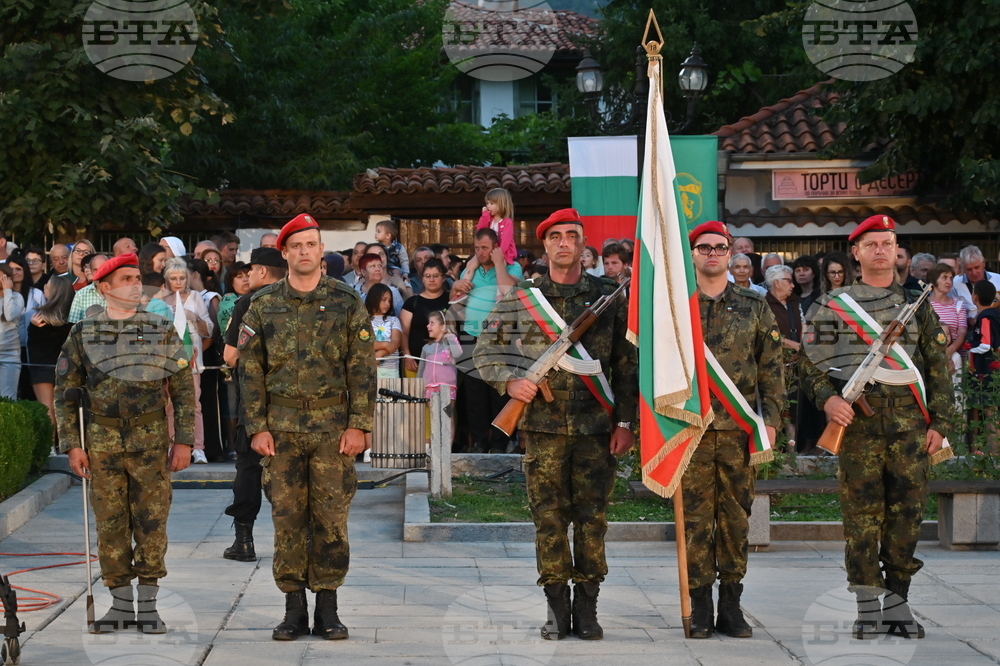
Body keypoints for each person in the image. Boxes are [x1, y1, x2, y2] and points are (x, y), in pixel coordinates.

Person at [474, 208, 637, 641]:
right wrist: (509, 382)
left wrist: (626, 421)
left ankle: (587, 608)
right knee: (548, 520)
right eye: (556, 237)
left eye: (573, 236)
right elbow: (485, 351)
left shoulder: (608, 297)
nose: (565, 243)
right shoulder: (524, 297)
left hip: (596, 428)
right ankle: (556, 609)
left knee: (592, 520)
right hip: (543, 429)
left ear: (583, 244)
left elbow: (627, 364)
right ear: (545, 246)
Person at [800, 214, 953, 639]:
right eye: (871, 244)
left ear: (897, 249)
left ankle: (898, 606)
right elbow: (809, 365)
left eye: (887, 243)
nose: (881, 250)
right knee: (862, 526)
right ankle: (868, 609)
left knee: (906, 522)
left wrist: (941, 422)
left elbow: (938, 367)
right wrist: (829, 400)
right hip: (859, 433)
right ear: (857, 252)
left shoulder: (917, 305)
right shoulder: (834, 305)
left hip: (910, 432)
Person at [238, 214, 375, 641]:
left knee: (331, 518)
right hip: (280, 431)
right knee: (288, 519)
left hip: (333, 430)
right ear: (285, 253)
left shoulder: (346, 301)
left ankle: (328, 609)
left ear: (321, 251)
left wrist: (360, 425)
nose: (304, 251)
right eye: (296, 245)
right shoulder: (262, 303)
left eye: (311, 244)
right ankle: (293, 609)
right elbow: (250, 370)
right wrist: (257, 427)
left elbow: (362, 368)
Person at [55, 252, 195, 634]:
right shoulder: (83, 333)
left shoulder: (160, 328)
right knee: (111, 526)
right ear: (105, 288)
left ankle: (148, 606)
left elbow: (183, 389)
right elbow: (65, 392)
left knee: (152, 523)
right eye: (126, 279)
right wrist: (72, 444)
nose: (136, 285)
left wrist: (184, 440)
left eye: (137, 277)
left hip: (150, 443)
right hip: (102, 444)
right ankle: (119, 606)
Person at [683, 221, 783, 639]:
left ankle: (731, 605)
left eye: (719, 247)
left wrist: (772, 420)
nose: (712, 254)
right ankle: (700, 606)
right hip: (690, 431)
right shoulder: (676, 305)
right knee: (695, 520)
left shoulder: (754, 304)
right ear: (692, 254)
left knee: (736, 520)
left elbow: (771, 366)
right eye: (704, 247)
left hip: (739, 432)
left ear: (731, 254)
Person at [221, 248, 287, 563]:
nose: (246, 276)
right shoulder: (299, 300)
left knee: (249, 468)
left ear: (261, 271)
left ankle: (244, 541)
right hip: (293, 404)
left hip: (256, 401)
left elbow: (231, 355)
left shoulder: (248, 303)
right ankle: (293, 542)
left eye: (250, 270)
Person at [451, 228, 523, 453]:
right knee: (475, 394)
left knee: (499, 392)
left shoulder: (512, 267)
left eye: (485, 248)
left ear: (496, 248)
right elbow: (455, 304)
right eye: (476, 248)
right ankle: (479, 442)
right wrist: (456, 286)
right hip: (472, 336)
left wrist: (500, 263)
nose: (480, 252)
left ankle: (500, 443)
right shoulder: (471, 270)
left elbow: (509, 292)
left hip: (501, 338)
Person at [164, 257, 213, 464]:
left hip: (191, 359)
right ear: (167, 279)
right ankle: (170, 444)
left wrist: (194, 317)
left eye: (182, 278)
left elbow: (209, 329)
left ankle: (198, 448)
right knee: (168, 404)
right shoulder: (160, 299)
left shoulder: (195, 297)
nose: (178, 282)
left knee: (194, 404)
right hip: (168, 360)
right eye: (173, 278)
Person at [28, 276, 74, 432]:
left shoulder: (39, 319)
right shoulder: (73, 318)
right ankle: (64, 443)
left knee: (47, 408)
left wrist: (32, 327)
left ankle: (50, 443)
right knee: (65, 410)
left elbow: (33, 346)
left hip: (42, 368)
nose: (44, 288)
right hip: (66, 368)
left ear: (54, 292)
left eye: (47, 286)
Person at [764, 265, 802, 450]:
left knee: (796, 405)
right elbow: (766, 333)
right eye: (788, 281)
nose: (793, 285)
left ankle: (794, 446)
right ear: (776, 282)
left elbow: (804, 324)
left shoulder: (795, 301)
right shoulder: (764, 303)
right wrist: (791, 344)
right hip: (775, 363)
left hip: (798, 363)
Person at [400, 258, 450, 378]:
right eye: (427, 276)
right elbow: (404, 332)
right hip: (415, 363)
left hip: (445, 364)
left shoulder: (450, 300)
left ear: (443, 278)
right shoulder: (412, 302)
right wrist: (407, 356)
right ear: (422, 278)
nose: (431, 280)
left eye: (436, 276)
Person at [969, 279, 1000, 452]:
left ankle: (994, 453)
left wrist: (971, 348)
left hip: (986, 371)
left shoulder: (985, 317)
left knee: (989, 411)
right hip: (993, 370)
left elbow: (986, 344)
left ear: (975, 297)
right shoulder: (995, 314)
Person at [927, 263, 968, 377]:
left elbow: (962, 332)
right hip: (929, 356)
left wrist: (949, 351)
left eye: (951, 278)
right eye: (944, 277)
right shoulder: (924, 304)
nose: (949, 282)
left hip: (954, 356)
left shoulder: (958, 305)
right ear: (934, 280)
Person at [419, 310, 462, 403]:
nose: (428, 326)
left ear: (443, 327)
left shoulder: (450, 343)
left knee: (447, 412)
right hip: (429, 387)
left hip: (447, 386)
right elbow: (421, 369)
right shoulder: (426, 347)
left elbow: (458, 354)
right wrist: (418, 387)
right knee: (434, 412)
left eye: (432, 323)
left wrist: (451, 337)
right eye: (428, 323)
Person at [954, 245, 1000, 323]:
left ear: (984, 263)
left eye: (977, 267)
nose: (974, 273)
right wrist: (968, 321)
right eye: (969, 269)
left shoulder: (998, 279)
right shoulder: (955, 283)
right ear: (963, 268)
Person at [0, 264, 26, 399]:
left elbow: (10, 315)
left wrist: (7, 291)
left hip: (9, 353)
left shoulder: (16, 297)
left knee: (8, 398)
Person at [367, 284, 402, 379]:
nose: (387, 304)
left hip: (390, 371)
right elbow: (364, 343)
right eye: (384, 299)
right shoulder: (364, 321)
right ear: (374, 299)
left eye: (389, 301)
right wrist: (385, 345)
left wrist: (380, 354)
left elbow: (396, 343)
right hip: (368, 370)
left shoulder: (393, 320)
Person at [353, 252, 404, 317]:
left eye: (380, 266)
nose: (378, 269)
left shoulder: (393, 291)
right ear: (363, 271)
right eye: (372, 266)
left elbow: (400, 316)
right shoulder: (354, 292)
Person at [478, 187, 517, 266]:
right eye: (487, 203)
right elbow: (480, 230)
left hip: (503, 253)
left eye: (492, 203)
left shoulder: (507, 222)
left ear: (501, 204)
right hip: (488, 252)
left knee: (501, 265)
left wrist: (499, 254)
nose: (488, 206)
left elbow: (506, 240)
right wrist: (485, 215)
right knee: (472, 264)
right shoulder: (489, 219)